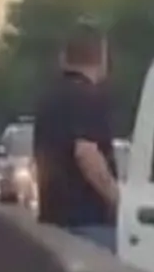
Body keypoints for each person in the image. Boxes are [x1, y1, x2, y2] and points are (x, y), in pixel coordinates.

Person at [31, 21, 120, 249]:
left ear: (63, 58)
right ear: (102, 59)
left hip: (51, 222)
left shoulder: (48, 100)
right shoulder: (89, 97)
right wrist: (117, 199)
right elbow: (86, 154)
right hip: (89, 225)